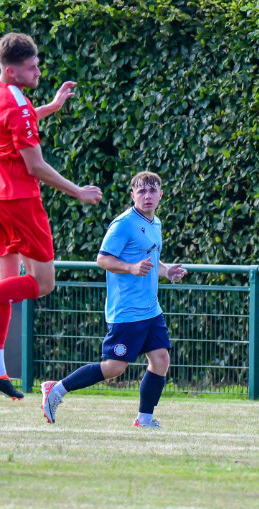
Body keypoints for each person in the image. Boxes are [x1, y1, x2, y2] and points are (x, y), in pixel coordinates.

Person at [0, 32, 102, 400]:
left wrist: (50, 108)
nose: (38, 71)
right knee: (43, 283)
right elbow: (35, 165)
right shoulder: (18, 106)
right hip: (18, 199)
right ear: (12, 71)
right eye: (32, 67)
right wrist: (78, 191)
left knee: (7, 283)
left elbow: (10, 123)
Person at [41, 171, 186, 428]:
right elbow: (102, 259)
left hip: (151, 310)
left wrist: (167, 272)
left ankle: (144, 419)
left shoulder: (156, 223)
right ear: (132, 196)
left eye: (152, 191)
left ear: (161, 195)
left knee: (161, 359)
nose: (147, 196)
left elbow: (151, 258)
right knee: (115, 367)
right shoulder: (123, 224)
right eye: (141, 191)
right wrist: (131, 268)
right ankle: (57, 388)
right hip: (127, 311)